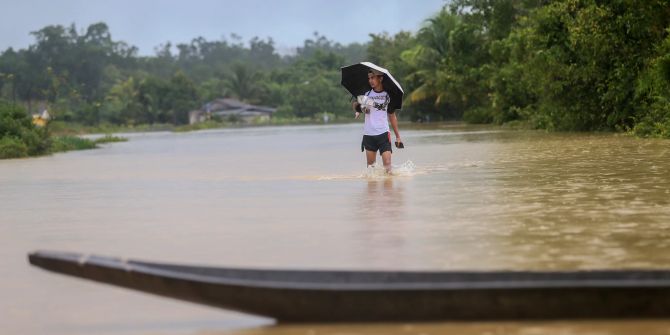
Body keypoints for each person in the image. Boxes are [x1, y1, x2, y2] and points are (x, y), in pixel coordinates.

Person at [352, 68, 403, 173]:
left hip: (383, 133)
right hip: (369, 134)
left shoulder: (388, 96)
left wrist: (398, 136)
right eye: (369, 78)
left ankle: (389, 188)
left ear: (380, 78)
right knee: (371, 169)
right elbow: (356, 105)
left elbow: (392, 116)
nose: (370, 80)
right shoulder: (366, 95)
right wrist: (360, 109)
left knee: (388, 166)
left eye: (373, 78)